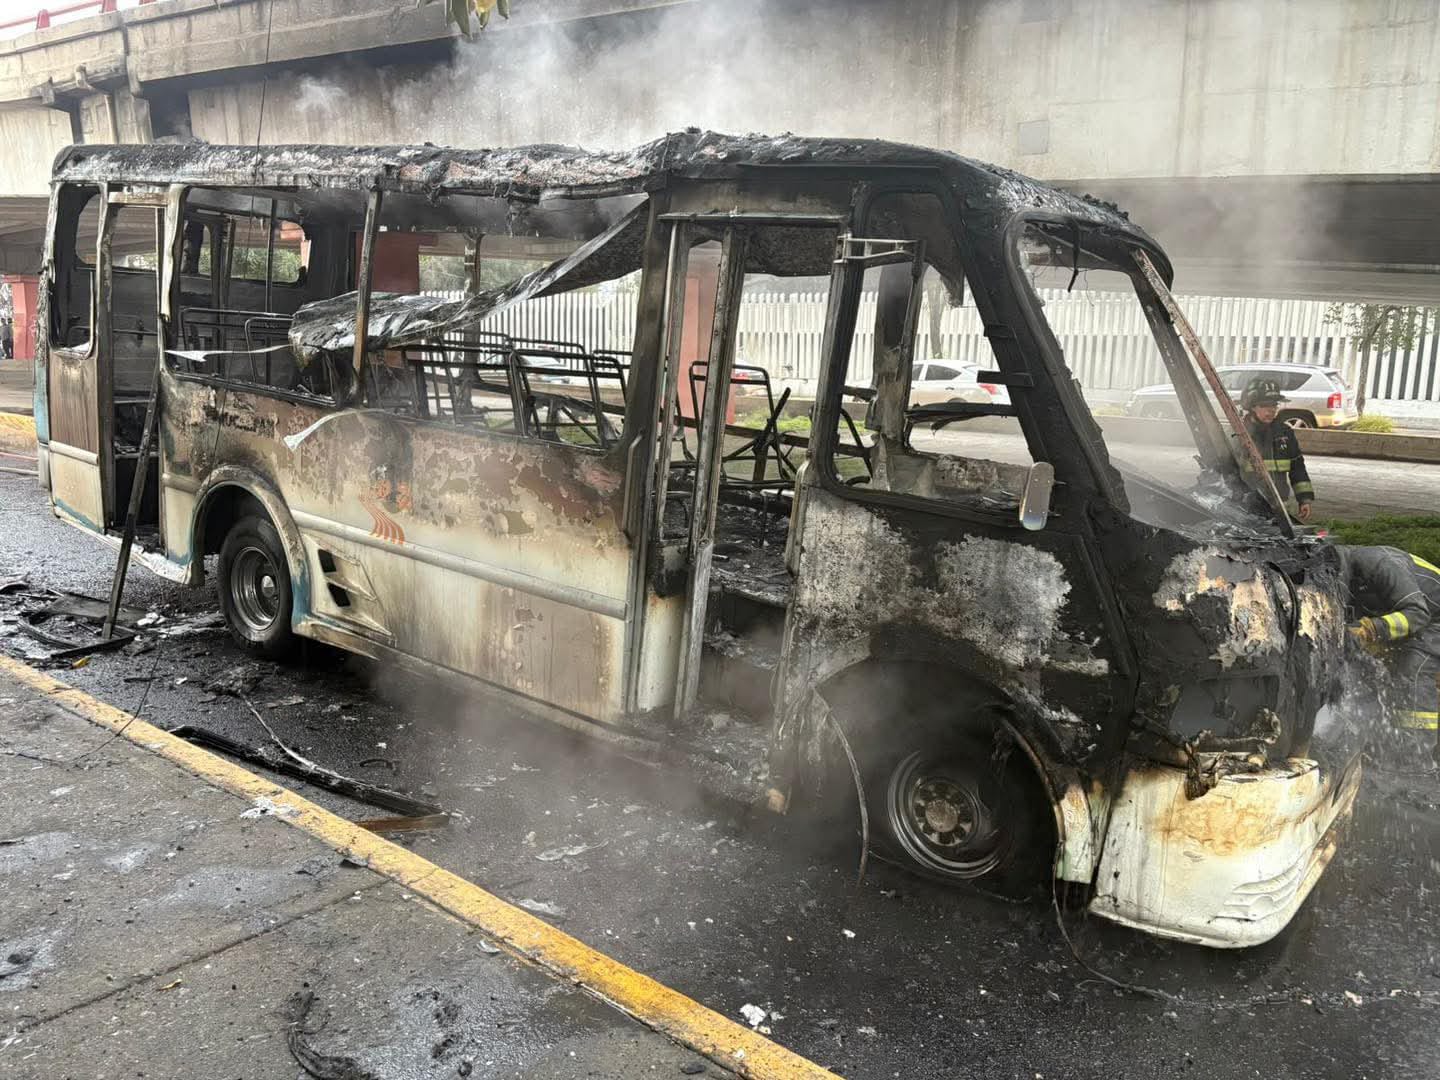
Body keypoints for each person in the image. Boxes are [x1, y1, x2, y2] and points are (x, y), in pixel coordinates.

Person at [1340, 545, 1440, 755]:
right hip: (1419, 619)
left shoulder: (1379, 564)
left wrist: (1372, 629)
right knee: (1369, 669)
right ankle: (1378, 741)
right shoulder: (1347, 579)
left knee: (1413, 668)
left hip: (1432, 618)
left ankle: (1417, 755)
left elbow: (1417, 614)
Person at [1239, 375, 1315, 521]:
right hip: (1248, 509)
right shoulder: (1238, 433)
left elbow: (1297, 467)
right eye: (1265, 405)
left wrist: (1304, 499)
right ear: (1252, 406)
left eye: (1274, 405)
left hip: (1281, 507)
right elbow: (1228, 471)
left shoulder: (1285, 432)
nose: (1271, 410)